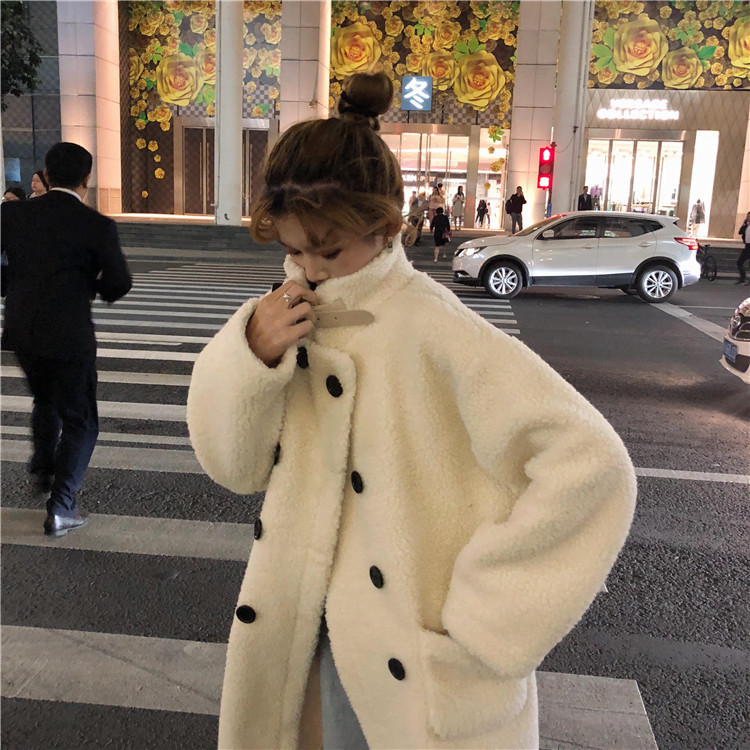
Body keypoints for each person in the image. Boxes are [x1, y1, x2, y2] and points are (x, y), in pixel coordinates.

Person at [186, 71, 636, 750]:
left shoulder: (434, 326)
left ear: (385, 228)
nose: (309, 269)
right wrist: (252, 353)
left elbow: (592, 465)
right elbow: (235, 468)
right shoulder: (283, 319)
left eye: (328, 250)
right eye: (293, 250)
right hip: (303, 634)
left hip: (411, 655)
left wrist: (484, 623)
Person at [1, 142, 132, 536]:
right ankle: (62, 506)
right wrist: (91, 285)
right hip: (69, 334)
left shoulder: (12, 214)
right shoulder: (96, 225)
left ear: (46, 174)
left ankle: (43, 470)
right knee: (80, 420)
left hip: (22, 329)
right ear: (86, 179)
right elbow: (119, 282)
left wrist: (12, 284)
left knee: (44, 398)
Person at [737, 211, 750, 285]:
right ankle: (742, 277)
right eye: (747, 217)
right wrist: (744, 225)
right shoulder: (746, 226)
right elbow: (740, 232)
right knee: (739, 262)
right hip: (747, 246)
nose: (748, 218)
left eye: (749, 217)